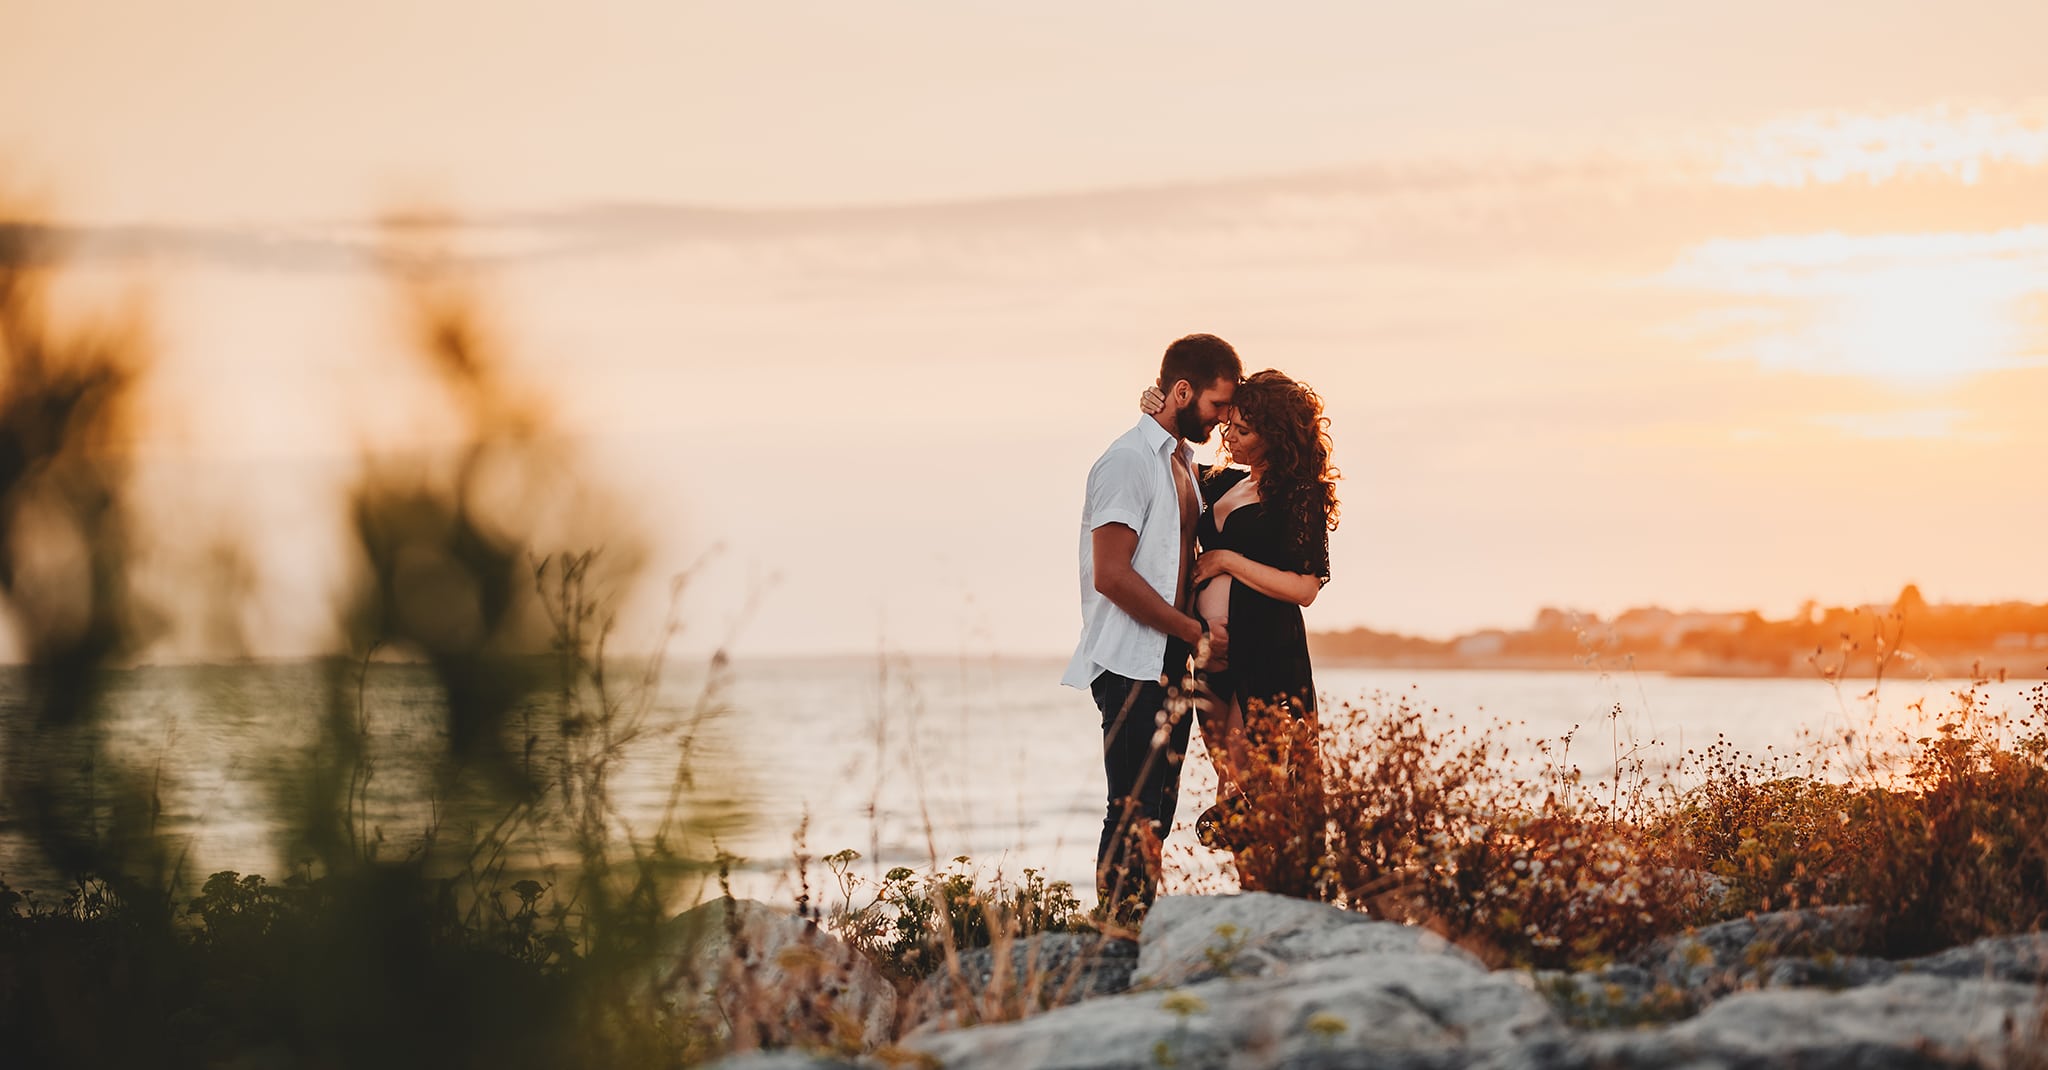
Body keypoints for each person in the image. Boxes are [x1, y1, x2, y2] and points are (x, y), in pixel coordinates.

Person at [1063, 333, 1241, 921]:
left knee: (1158, 810)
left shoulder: (1184, 463)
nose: (1222, 419)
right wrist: (1193, 632)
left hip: (1169, 660)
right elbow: (1112, 575)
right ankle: (1118, 935)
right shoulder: (1127, 462)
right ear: (1182, 391)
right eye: (1217, 405)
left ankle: (1138, 926)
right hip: (1129, 661)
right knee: (1131, 808)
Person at [1141, 369, 1339, 896]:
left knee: (1273, 788)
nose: (1231, 436)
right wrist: (1159, 413)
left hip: (1269, 656)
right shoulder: (1223, 481)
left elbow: (1303, 587)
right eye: (1231, 424)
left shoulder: (1299, 493)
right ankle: (1256, 903)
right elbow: (1172, 462)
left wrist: (1227, 558)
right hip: (1213, 658)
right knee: (1236, 787)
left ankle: (1284, 901)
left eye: (1245, 429)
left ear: (1277, 434)